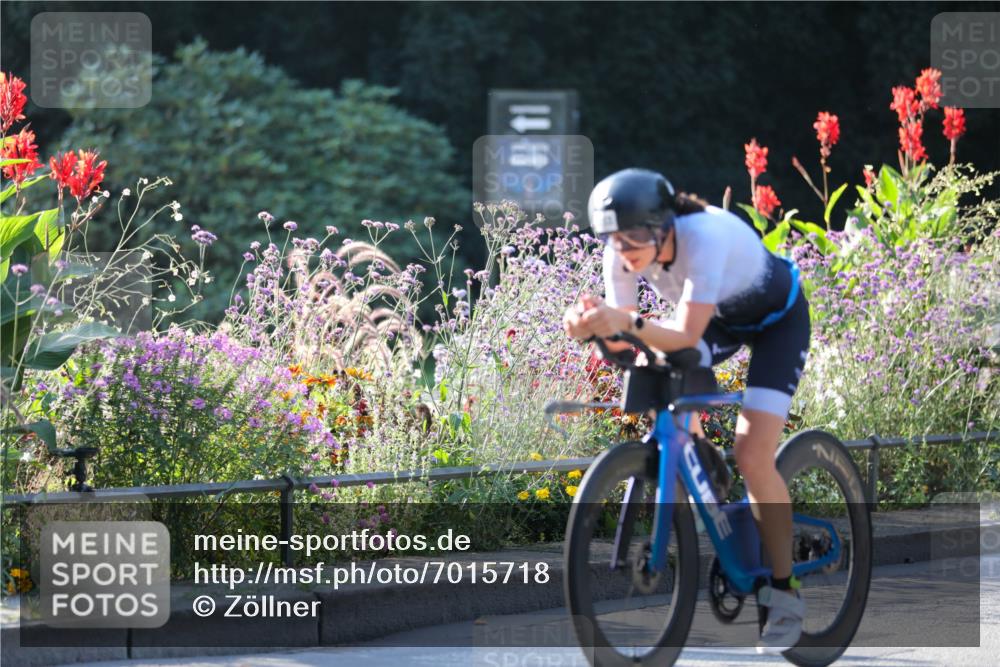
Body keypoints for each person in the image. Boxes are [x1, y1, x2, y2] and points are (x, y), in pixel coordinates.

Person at [562, 168, 810, 654]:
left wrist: (625, 322)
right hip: (716, 320)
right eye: (614, 239)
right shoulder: (622, 256)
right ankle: (698, 456)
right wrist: (589, 328)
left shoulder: (704, 238)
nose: (625, 249)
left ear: (664, 226)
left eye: (635, 236)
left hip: (777, 322)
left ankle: (784, 592)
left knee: (753, 453)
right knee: (653, 363)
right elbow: (628, 342)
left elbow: (684, 337)